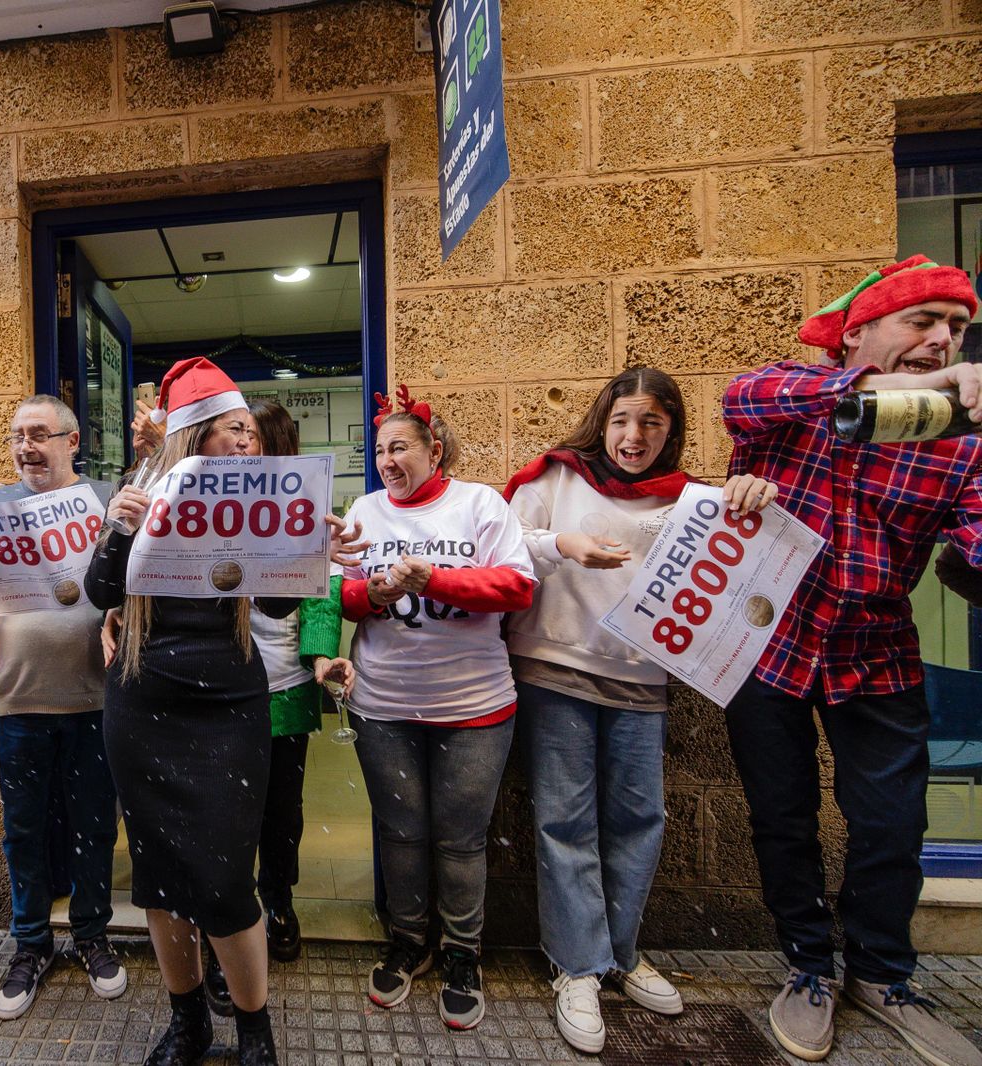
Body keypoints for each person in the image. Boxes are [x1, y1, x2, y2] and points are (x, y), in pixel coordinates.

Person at [721, 255, 982, 1066]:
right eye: (923, 320)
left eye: (958, 328)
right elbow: (739, 397)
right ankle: (806, 967)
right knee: (782, 819)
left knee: (893, 826)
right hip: (767, 652)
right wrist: (858, 392)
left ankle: (883, 975)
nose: (942, 340)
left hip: (878, 657)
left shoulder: (964, 445)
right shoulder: (798, 400)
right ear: (860, 331)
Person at [503, 368, 777, 1053]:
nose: (633, 437)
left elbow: (749, 547)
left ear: (671, 431)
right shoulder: (553, 480)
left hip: (643, 681)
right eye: (623, 420)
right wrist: (563, 546)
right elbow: (503, 550)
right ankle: (577, 966)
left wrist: (752, 494)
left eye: (651, 424)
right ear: (602, 420)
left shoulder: (692, 501)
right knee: (565, 819)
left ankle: (621, 954)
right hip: (556, 668)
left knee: (639, 817)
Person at [85, 357, 298, 1066]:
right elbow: (101, 590)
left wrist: (308, 548)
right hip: (143, 704)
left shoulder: (257, 501)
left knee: (228, 879)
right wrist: (117, 528)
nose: (250, 441)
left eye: (252, 433)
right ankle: (188, 1025)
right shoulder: (141, 491)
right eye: (236, 429)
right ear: (198, 433)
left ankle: (254, 1031)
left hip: (229, 702)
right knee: (161, 877)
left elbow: (276, 604)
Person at [318, 385, 534, 1032]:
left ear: (433, 449)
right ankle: (408, 942)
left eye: (400, 446)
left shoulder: (480, 505)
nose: (388, 460)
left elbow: (518, 586)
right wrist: (375, 594)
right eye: (380, 449)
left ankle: (462, 955)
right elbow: (340, 594)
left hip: (476, 709)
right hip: (384, 707)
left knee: (462, 840)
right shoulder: (365, 509)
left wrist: (432, 579)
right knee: (401, 832)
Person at [0, 395, 127, 1021]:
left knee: (94, 827)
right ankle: (30, 946)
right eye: (17, 436)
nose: (26, 446)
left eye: (39, 434)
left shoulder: (106, 504)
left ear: (71, 441)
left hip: (93, 699)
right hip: (20, 700)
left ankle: (91, 936)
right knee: (24, 830)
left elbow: (130, 586)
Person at [244, 397, 342, 963]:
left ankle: (279, 900)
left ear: (276, 445)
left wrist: (321, 657)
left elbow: (324, 592)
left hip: (283, 684)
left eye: (250, 436)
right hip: (223, 687)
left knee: (282, 808)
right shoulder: (215, 504)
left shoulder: (307, 508)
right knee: (233, 809)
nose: (239, 445)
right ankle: (237, 912)